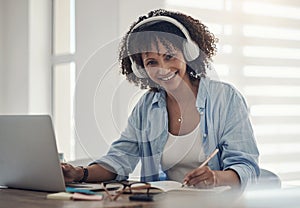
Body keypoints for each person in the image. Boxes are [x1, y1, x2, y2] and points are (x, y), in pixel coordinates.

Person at [62, 9, 260, 191]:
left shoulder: (225, 99)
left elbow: (247, 167)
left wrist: (215, 177)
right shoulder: (147, 107)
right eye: (151, 62)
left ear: (188, 53)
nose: (162, 69)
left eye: (169, 56)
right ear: (141, 69)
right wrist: (80, 173)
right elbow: (119, 159)